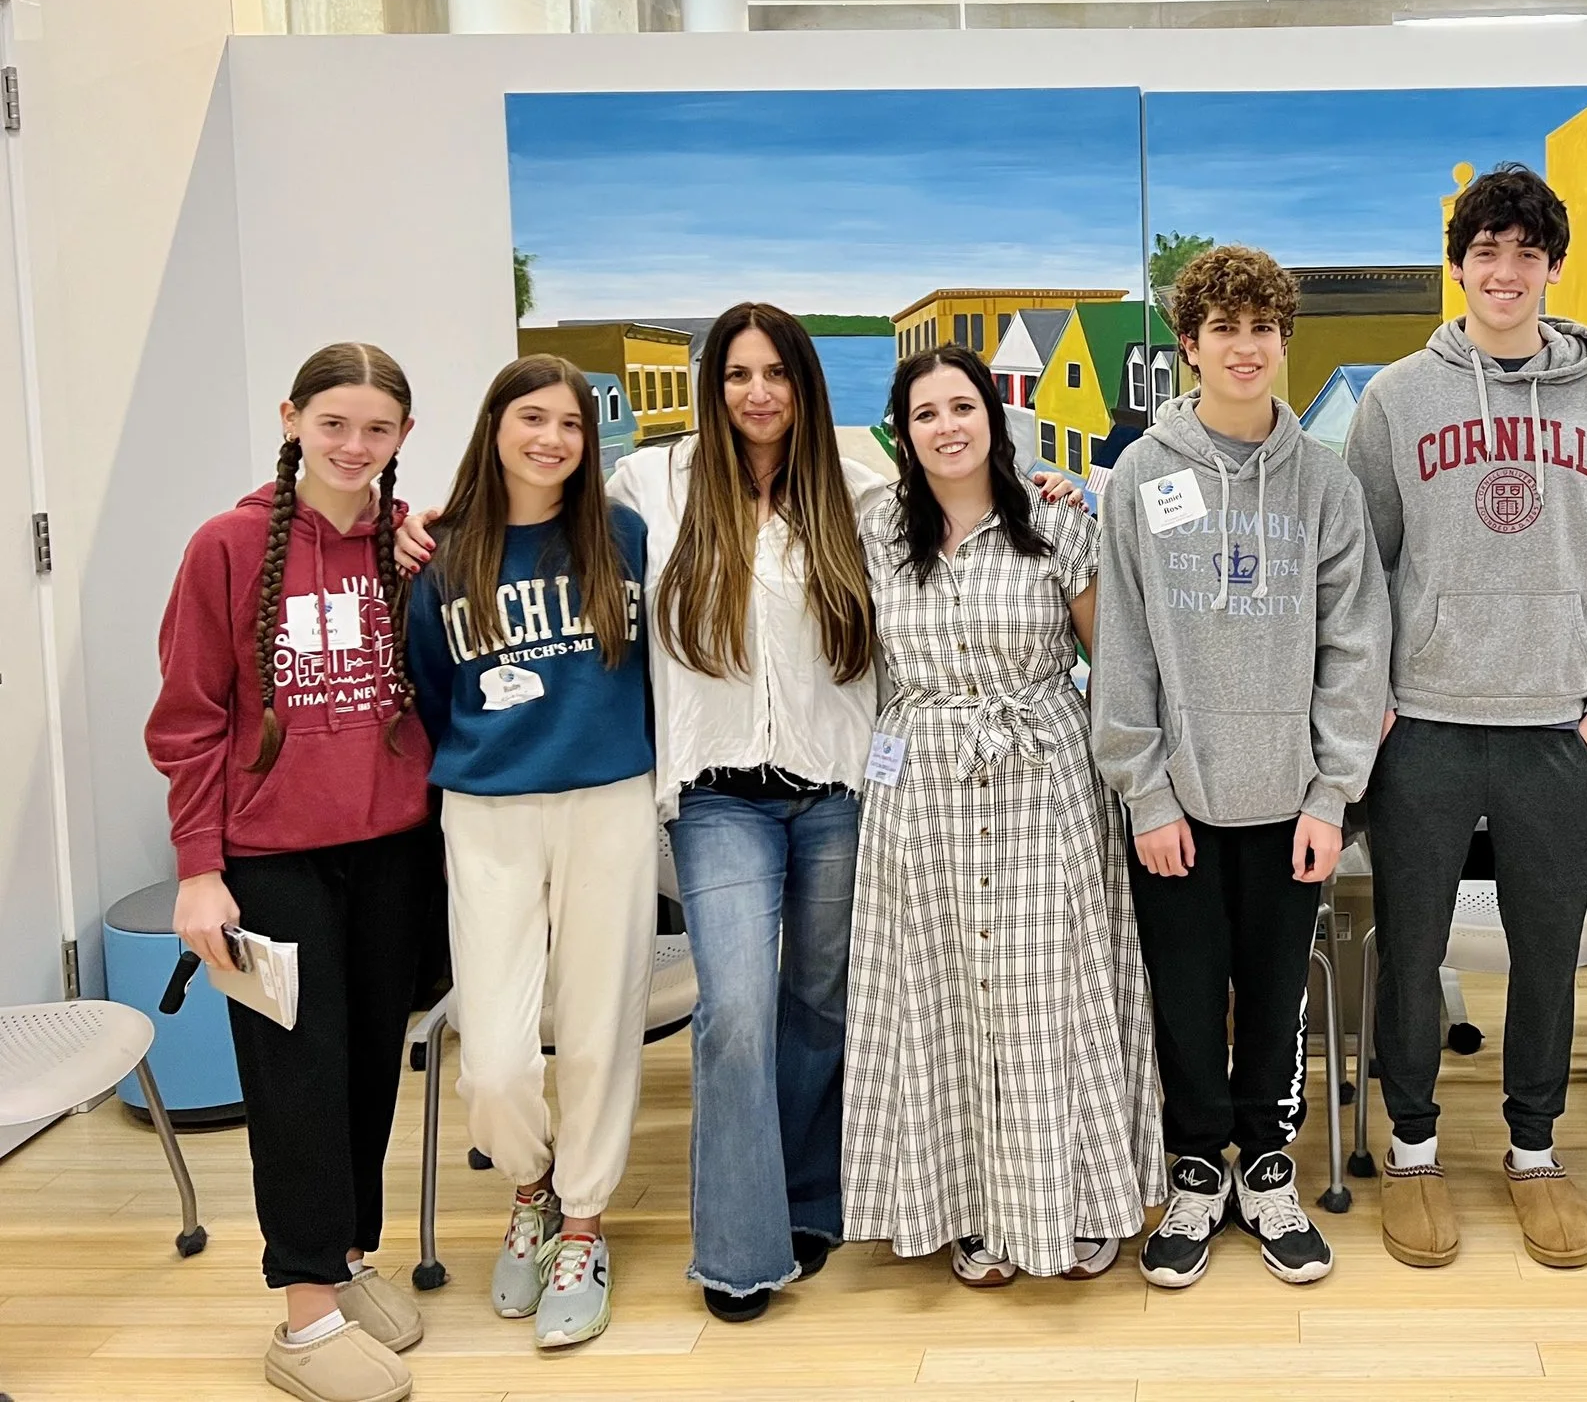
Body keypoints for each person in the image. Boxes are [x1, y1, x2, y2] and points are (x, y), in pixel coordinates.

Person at [397, 304, 1080, 1318]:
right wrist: (424, 524)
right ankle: (738, 1248)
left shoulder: (861, 486)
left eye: (776, 373)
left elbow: (964, 490)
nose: (756, 392)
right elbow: (543, 493)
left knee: (816, 1005)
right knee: (734, 1015)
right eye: (736, 374)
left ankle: (811, 1199)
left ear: (803, 384)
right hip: (717, 796)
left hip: (845, 788)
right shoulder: (653, 485)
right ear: (714, 387)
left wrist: (1056, 485)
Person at [1343, 163, 1587, 1272]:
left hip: (1554, 730)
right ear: (1460, 266)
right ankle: (1414, 1148)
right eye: (1486, 252)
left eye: (1526, 253)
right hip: (1422, 724)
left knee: (1544, 951)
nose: (1506, 271)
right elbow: (1361, 568)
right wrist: (1373, 704)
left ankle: (1532, 1151)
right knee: (1413, 947)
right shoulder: (1394, 399)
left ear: (1552, 268)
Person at [1092, 246, 1390, 1288]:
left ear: (1282, 339)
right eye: (1223, 328)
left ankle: (1265, 1172)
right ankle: (1192, 1174)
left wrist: (1329, 794)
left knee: (1273, 999)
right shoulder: (1141, 475)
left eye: (1262, 327)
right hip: (1174, 804)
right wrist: (1145, 789)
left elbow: (1356, 643)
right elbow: (1120, 645)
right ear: (1190, 345)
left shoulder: (1324, 482)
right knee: (1181, 999)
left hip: (1290, 805)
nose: (1245, 346)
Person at [148, 342, 432, 1402]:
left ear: (405, 435)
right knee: (296, 1079)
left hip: (394, 848)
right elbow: (187, 721)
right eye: (334, 425)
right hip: (271, 862)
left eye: (377, 429)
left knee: (367, 1062)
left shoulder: (409, 550)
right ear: (291, 420)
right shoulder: (223, 547)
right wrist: (196, 871)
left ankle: (348, 1255)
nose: (355, 447)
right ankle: (302, 1315)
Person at [844, 344, 1162, 1285]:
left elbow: (1116, 667)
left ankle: (1076, 1198)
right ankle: (973, 1203)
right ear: (903, 433)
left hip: (1045, 780)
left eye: (962, 405)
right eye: (925, 412)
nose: (947, 426)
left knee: (1050, 996)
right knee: (946, 999)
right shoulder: (875, 534)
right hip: (924, 796)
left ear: (994, 413)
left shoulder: (1058, 523)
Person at [403, 355, 655, 1350]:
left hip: (609, 803)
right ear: (495, 427)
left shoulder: (623, 539)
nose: (552, 438)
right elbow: (431, 690)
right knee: (497, 1063)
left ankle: (585, 1226)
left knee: (597, 1030)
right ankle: (532, 1189)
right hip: (488, 811)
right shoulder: (443, 556)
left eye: (572, 424)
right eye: (532, 418)